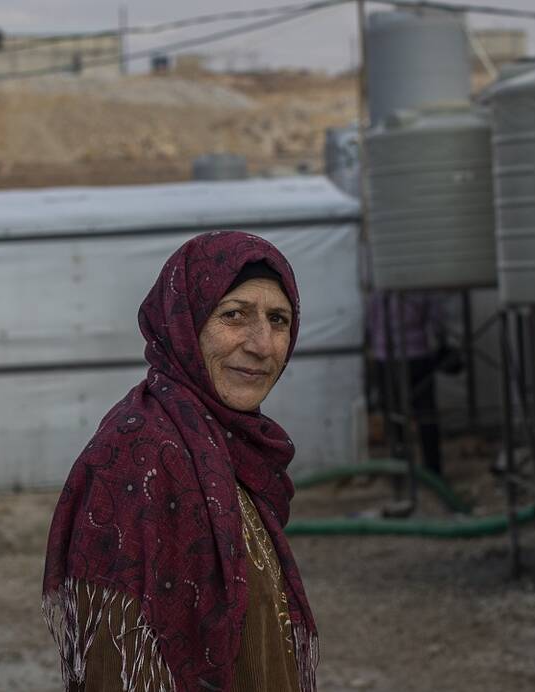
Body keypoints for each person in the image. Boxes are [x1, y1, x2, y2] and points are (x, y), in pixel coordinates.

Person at [43, 232, 318, 692]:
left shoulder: (233, 450)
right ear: (183, 322)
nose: (262, 344)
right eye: (234, 315)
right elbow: (117, 666)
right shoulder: (140, 453)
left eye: (278, 320)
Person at [366, 291, 452, 476]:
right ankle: (433, 470)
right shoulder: (421, 287)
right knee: (426, 414)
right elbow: (437, 319)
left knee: (394, 414)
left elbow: (372, 320)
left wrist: (376, 346)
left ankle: (401, 470)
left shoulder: (379, 290)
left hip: (386, 358)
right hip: (418, 355)